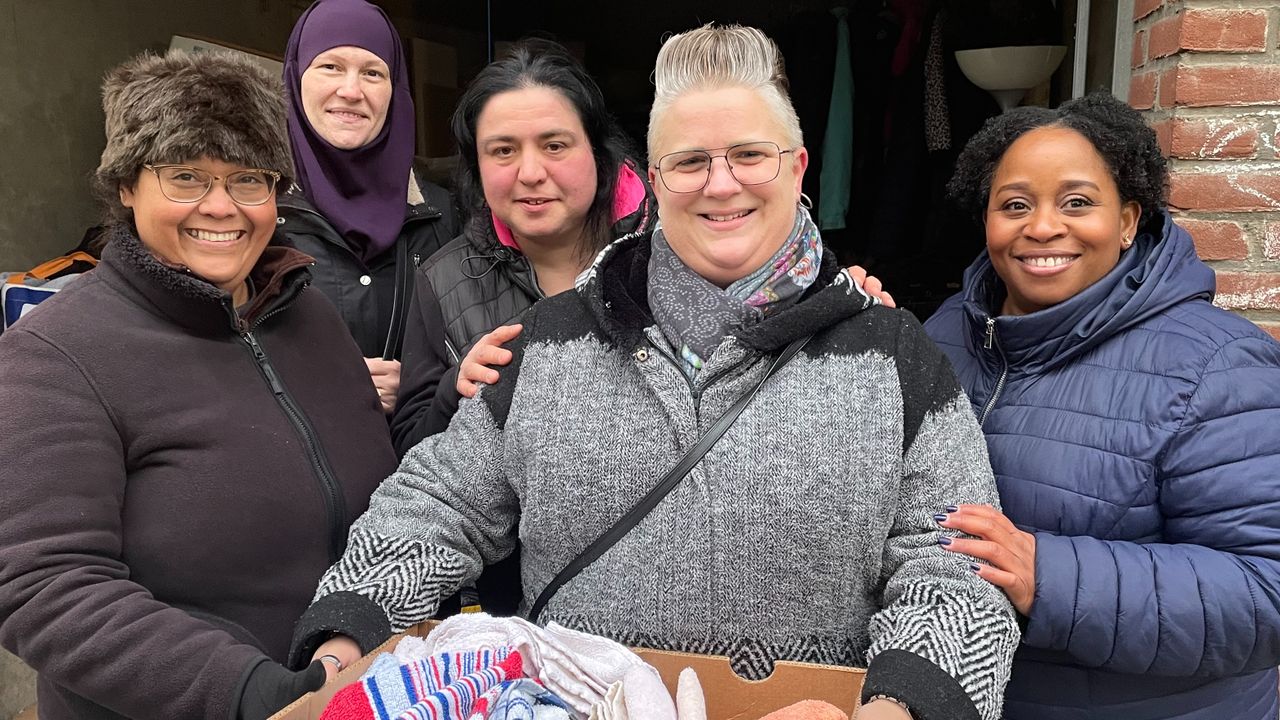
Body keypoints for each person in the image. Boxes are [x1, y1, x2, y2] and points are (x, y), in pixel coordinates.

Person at [291, 25, 1018, 720]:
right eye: (691, 161)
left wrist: (896, 710)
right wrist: (344, 639)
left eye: (750, 155)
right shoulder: (550, 342)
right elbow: (435, 506)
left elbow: (955, 569)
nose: (720, 184)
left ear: (798, 165)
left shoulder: (892, 355)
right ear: (655, 178)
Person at [0, 51, 398, 719]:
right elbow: (44, 584)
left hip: (346, 695)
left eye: (248, 179)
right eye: (185, 176)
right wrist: (251, 693)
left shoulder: (310, 318)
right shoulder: (56, 354)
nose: (221, 207)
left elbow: (366, 492)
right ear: (127, 186)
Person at [923, 92, 1280, 719]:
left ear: (1128, 220)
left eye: (1077, 203)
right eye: (1013, 205)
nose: (1040, 227)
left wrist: (1050, 575)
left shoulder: (1218, 367)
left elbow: (1265, 590)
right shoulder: (947, 332)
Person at [389, 38, 657, 456]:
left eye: (554, 146)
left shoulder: (666, 251)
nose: (530, 172)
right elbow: (408, 446)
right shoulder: (444, 281)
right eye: (503, 150)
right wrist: (453, 388)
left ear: (597, 151)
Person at [279, 0, 459, 414]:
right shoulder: (256, 211)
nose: (351, 90)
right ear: (295, 78)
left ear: (396, 88)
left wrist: (421, 387)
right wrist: (318, 385)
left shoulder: (443, 214)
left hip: (421, 467)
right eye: (330, 67)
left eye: (373, 73)